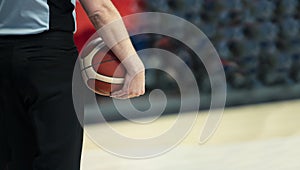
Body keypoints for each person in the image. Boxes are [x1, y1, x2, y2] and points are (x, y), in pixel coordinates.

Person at [0, 0, 145, 169]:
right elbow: (99, 10)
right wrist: (133, 63)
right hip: (50, 56)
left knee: (12, 159)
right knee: (58, 160)